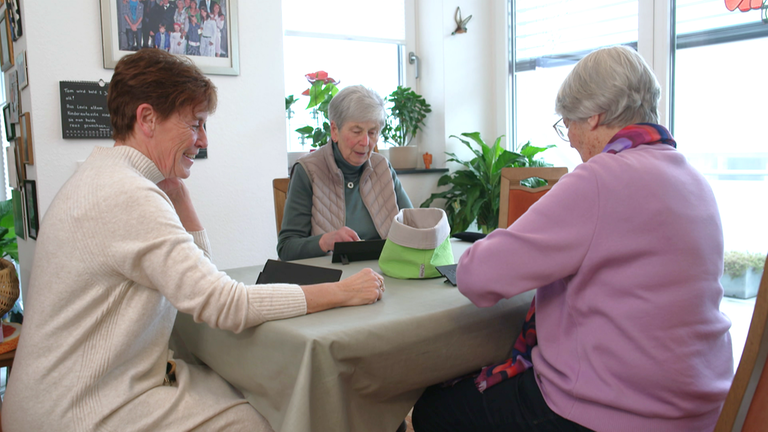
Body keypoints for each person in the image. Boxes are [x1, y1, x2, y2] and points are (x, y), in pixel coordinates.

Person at [1, 49, 385, 432]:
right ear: (147, 119)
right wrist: (343, 292)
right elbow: (223, 302)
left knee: (252, 395)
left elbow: (200, 276)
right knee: (265, 416)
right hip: (80, 409)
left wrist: (180, 197)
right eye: (195, 124)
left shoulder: (108, 177)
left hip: (74, 392)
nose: (202, 139)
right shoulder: (127, 195)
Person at [412, 45, 734, 432]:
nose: (573, 140)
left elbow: (477, 276)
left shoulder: (601, 178)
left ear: (595, 116)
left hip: (617, 414)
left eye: (569, 125)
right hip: (702, 410)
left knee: (435, 409)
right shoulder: (694, 179)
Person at [277, 85, 413, 261]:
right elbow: (286, 247)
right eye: (356, 132)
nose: (365, 142)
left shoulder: (382, 167)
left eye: (372, 133)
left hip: (385, 273)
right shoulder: (308, 171)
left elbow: (412, 227)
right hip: (333, 281)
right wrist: (325, 241)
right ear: (335, 131)